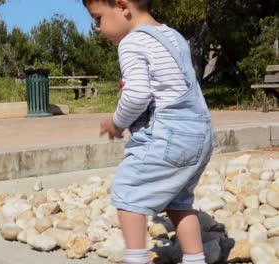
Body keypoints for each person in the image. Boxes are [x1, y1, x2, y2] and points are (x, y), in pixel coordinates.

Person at [82, 0, 215, 263]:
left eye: (98, 19)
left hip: (167, 135)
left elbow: (137, 95)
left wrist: (116, 122)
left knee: (127, 192)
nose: (97, 28)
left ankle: (135, 259)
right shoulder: (174, 37)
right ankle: (195, 259)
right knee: (179, 203)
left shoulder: (132, 42)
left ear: (122, 6)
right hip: (200, 134)